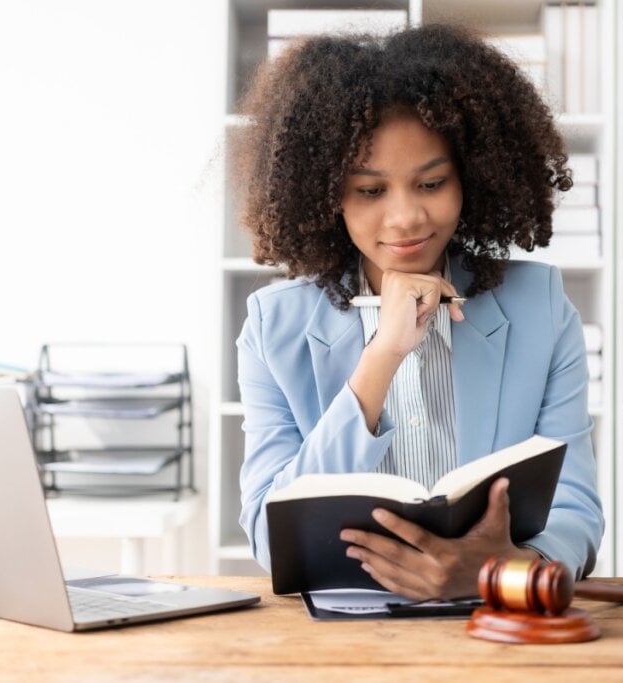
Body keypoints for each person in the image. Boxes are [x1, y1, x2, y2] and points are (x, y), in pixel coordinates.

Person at [232, 23, 603, 600]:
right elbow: (267, 535)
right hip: (345, 628)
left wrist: (498, 567)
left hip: (494, 616)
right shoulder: (272, 327)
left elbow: (576, 509)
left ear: (471, 180)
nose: (405, 219)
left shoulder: (540, 309)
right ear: (327, 194)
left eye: (431, 183)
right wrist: (382, 356)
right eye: (371, 191)